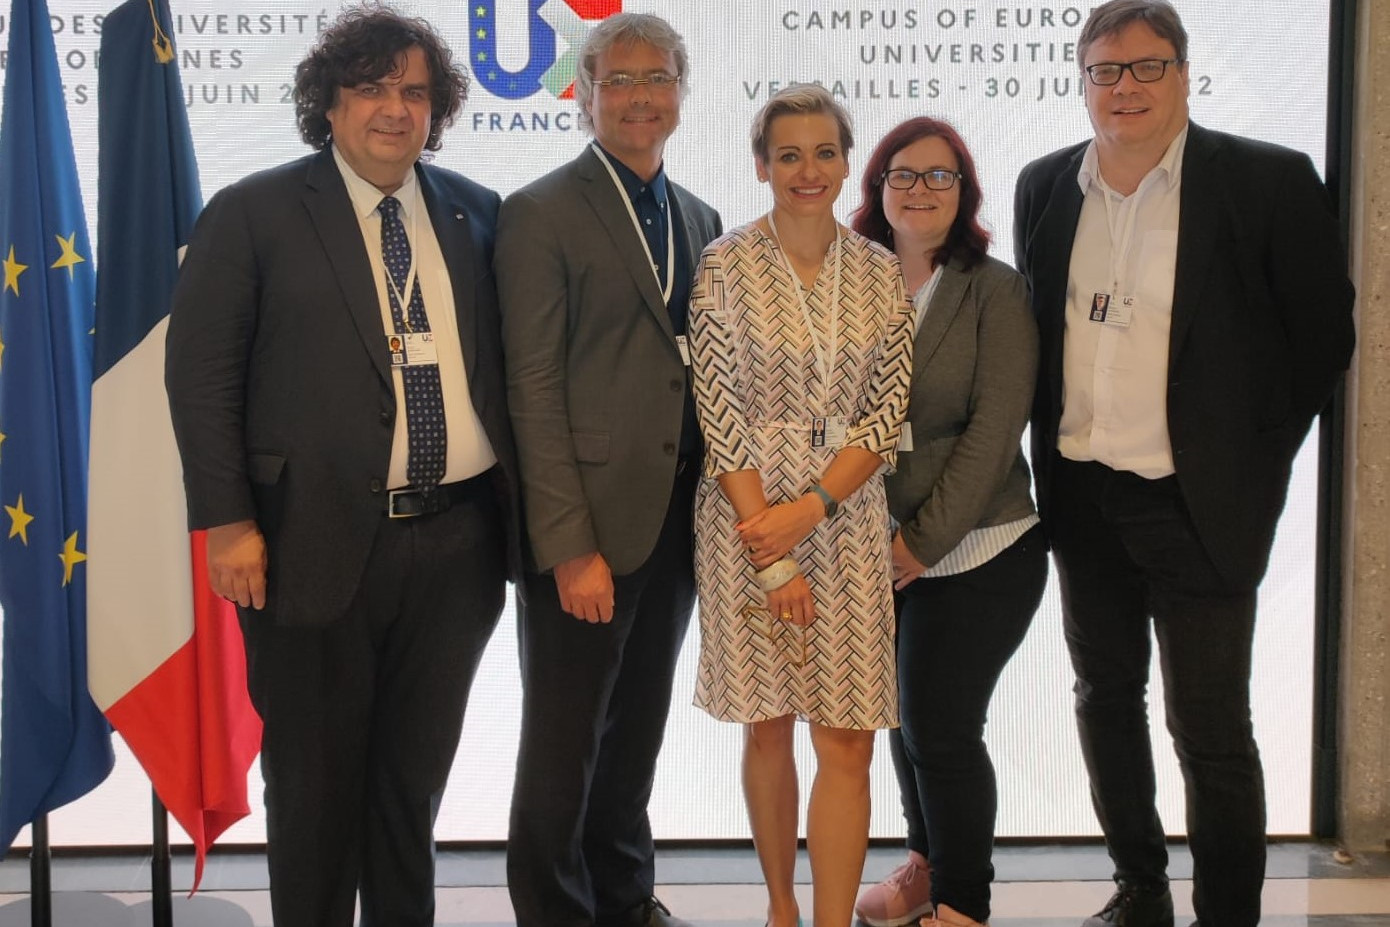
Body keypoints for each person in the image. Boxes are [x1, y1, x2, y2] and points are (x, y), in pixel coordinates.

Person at [165, 7, 519, 925]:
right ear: (328, 102)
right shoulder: (253, 213)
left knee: (411, 789)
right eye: (370, 88)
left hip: (458, 547)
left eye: (413, 90)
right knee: (316, 796)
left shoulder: (475, 212)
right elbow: (201, 379)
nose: (394, 109)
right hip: (305, 546)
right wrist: (228, 521)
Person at [1012, 2, 1356, 925]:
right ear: (1082, 81)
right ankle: (1141, 890)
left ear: (1183, 71)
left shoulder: (1266, 181)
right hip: (1084, 498)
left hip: (1199, 506)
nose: (1125, 88)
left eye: (1146, 68)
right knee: (1103, 699)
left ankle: (1227, 915)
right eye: (1106, 71)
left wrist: (1247, 460)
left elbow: (1322, 338)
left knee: (1210, 730)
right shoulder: (1046, 185)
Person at [496, 12, 722, 927]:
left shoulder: (701, 217)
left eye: (656, 78)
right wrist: (567, 545)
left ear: (679, 93)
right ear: (583, 94)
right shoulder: (540, 212)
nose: (639, 96)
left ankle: (625, 898)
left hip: (676, 520)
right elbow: (532, 389)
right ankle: (555, 911)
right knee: (563, 743)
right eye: (618, 80)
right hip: (586, 528)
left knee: (634, 734)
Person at [687, 83, 914, 927]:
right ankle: (782, 906)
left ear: (847, 162)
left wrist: (812, 510)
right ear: (761, 166)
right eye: (789, 155)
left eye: (824, 153)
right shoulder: (724, 263)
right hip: (744, 517)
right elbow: (718, 410)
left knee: (848, 735)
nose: (807, 170)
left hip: (845, 517)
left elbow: (886, 412)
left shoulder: (881, 270)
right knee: (769, 724)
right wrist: (772, 547)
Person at [849, 117, 1047, 927]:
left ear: (964, 191)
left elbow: (995, 431)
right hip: (874, 548)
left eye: (941, 176)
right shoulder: (848, 282)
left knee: (942, 725)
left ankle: (965, 904)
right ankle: (924, 869)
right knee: (905, 723)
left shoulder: (993, 290)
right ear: (878, 189)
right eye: (904, 174)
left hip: (979, 547)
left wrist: (917, 543)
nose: (921, 189)